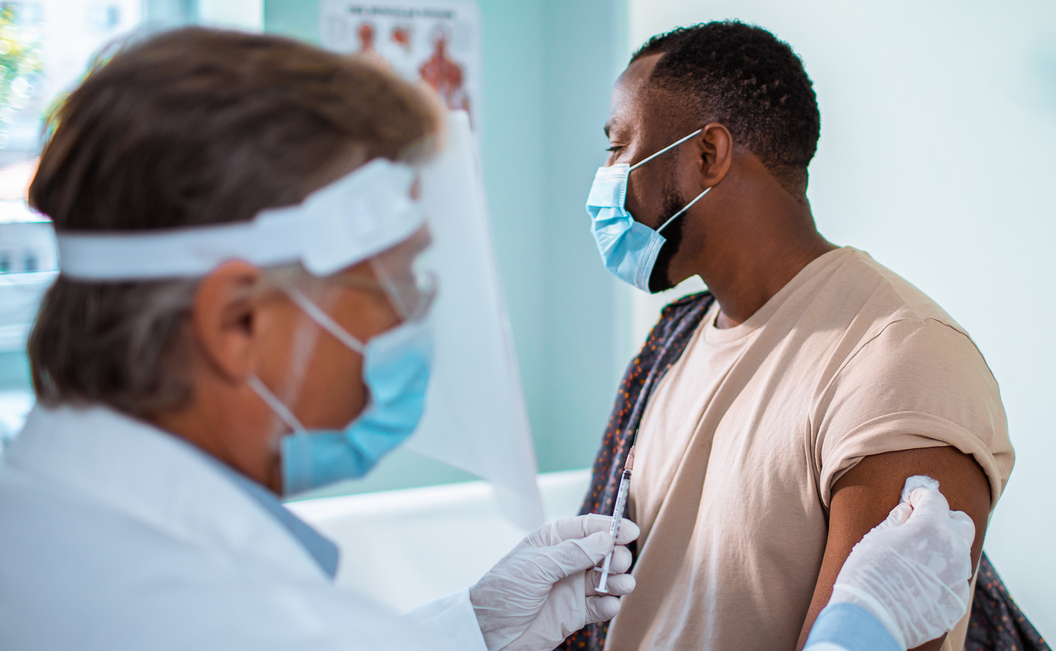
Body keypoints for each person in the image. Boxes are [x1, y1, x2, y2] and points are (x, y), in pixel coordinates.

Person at [0, 26, 983, 651]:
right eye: (387, 284)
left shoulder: (897, 354)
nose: (408, 320)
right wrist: (862, 631)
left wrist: (466, 628)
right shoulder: (213, 614)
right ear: (238, 323)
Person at [572, 20, 1015, 651]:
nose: (607, 177)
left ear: (707, 155)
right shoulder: (673, 342)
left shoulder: (898, 354)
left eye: (619, 147)